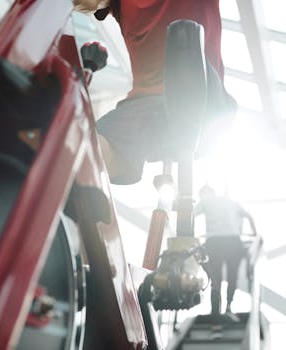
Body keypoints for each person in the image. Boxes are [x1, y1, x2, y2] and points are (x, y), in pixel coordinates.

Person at [74, 0, 237, 185]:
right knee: (87, 148)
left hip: (202, 93)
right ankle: (73, 183)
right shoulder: (119, 4)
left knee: (184, 36)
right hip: (146, 107)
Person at [195, 185, 257, 321]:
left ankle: (215, 313)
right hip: (233, 242)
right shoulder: (229, 202)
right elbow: (248, 216)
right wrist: (254, 234)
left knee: (215, 279)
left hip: (214, 243)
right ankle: (228, 306)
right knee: (232, 277)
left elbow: (190, 215)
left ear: (204, 194)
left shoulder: (205, 200)